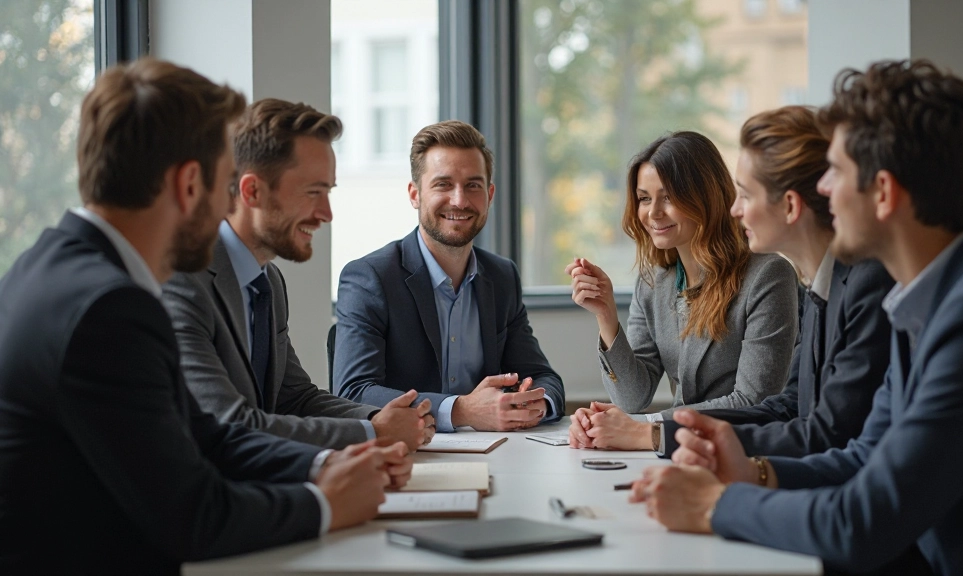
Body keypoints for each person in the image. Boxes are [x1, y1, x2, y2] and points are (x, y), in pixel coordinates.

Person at [0, 58, 410, 575]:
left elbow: (205, 435)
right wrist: (326, 505)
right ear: (189, 184)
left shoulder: (49, 265)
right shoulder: (111, 310)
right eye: (224, 183)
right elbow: (194, 516)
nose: (226, 206)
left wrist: (327, 464)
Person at [632, 60, 963, 576]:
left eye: (835, 171)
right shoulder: (934, 291)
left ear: (882, 192)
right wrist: (755, 471)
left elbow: (866, 520)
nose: (822, 189)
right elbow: (863, 456)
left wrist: (712, 506)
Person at [163, 98, 433, 452]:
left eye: (328, 192)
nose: (326, 213)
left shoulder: (267, 281)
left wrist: (376, 419)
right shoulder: (182, 280)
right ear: (252, 191)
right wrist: (374, 433)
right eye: (312, 192)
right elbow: (229, 424)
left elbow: (294, 399)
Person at [658, 106, 894, 458]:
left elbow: (830, 433)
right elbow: (786, 407)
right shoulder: (821, 283)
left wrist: (658, 437)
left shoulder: (867, 284)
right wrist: (663, 431)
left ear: (789, 206)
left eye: (745, 195)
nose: (734, 210)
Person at [565, 131, 799, 451]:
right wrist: (606, 316)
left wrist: (644, 428)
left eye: (669, 197)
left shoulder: (769, 275)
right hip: (679, 452)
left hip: (745, 453)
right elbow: (634, 397)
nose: (653, 212)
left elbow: (753, 400)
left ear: (706, 197)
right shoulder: (653, 282)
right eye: (645, 198)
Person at [333, 120, 565, 432]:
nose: (459, 200)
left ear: (490, 194)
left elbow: (541, 376)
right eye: (443, 184)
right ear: (415, 194)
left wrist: (537, 402)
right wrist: (460, 411)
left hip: (494, 449)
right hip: (408, 453)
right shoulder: (369, 278)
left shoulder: (502, 276)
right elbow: (354, 392)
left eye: (473, 185)